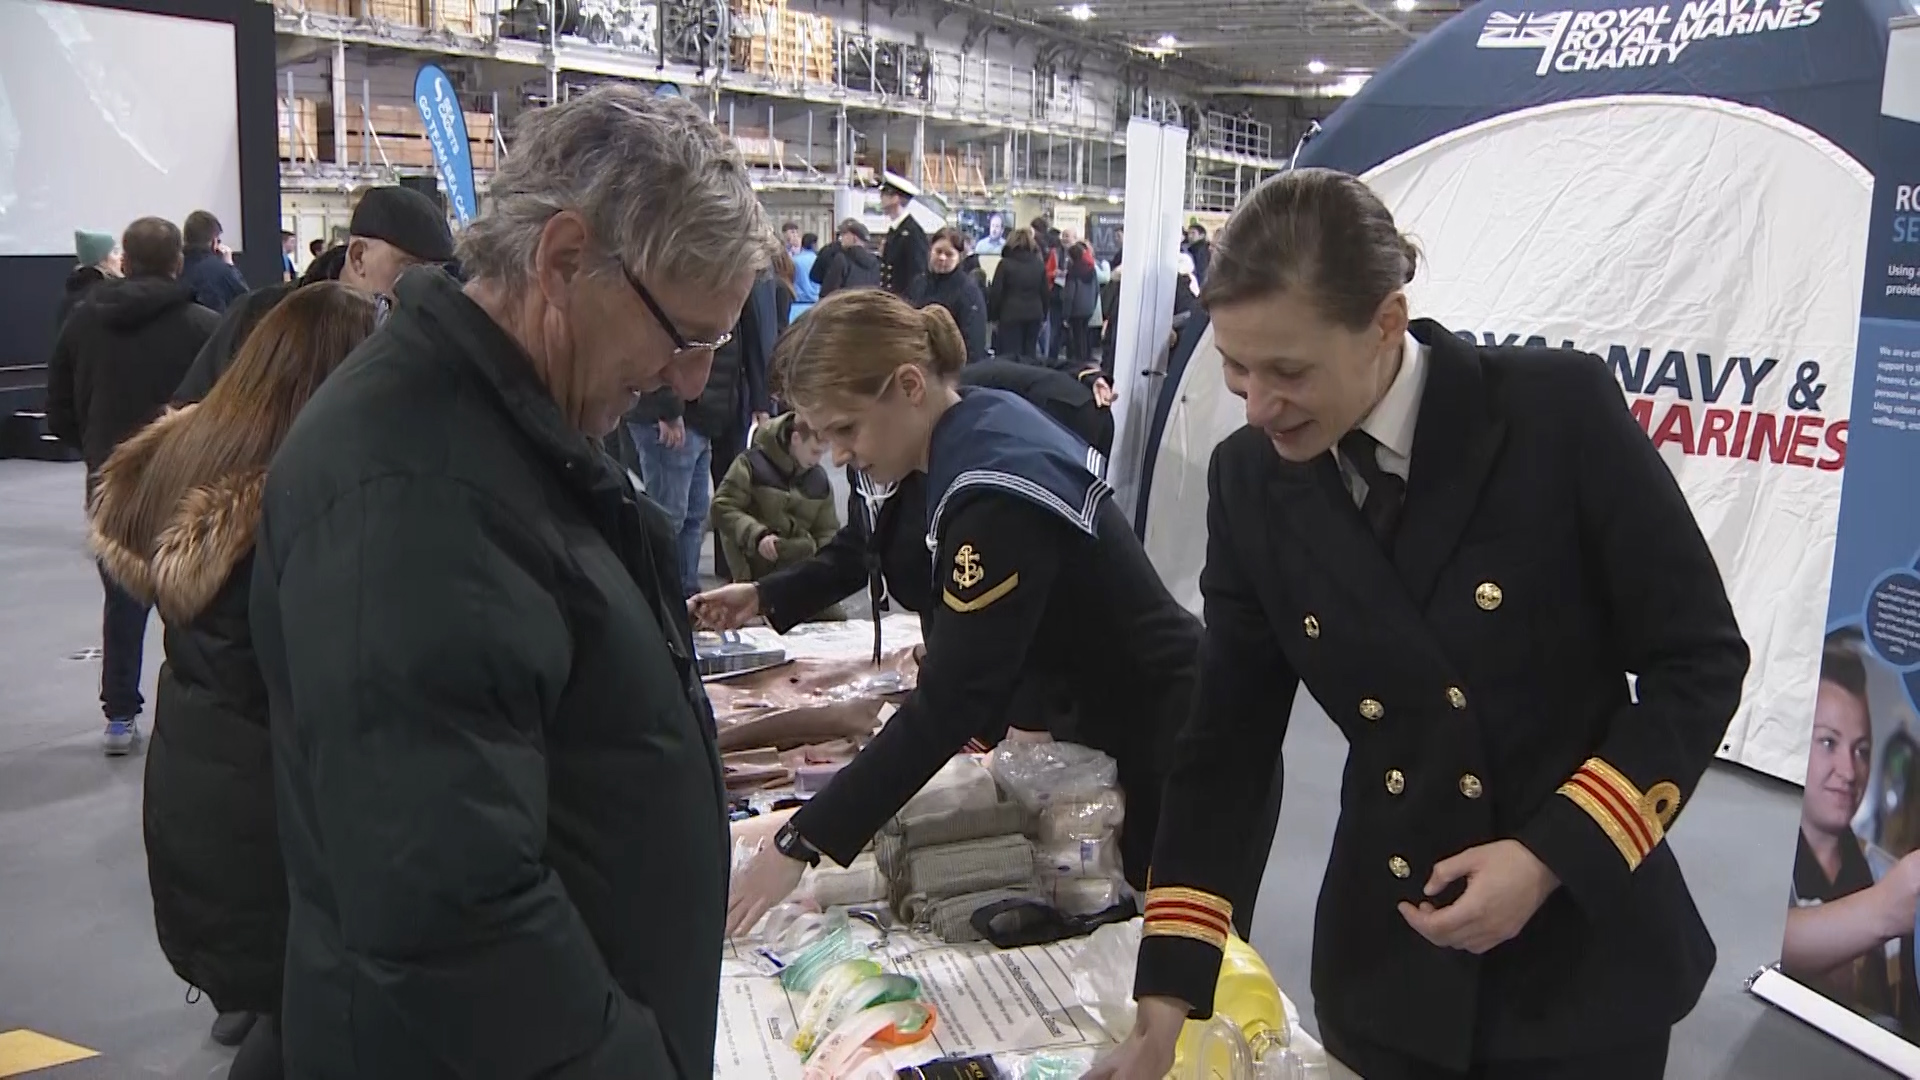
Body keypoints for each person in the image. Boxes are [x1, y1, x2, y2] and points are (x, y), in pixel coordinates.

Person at [1090, 168, 1750, 1080]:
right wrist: (1165, 1000)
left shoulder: (1555, 415)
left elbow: (1699, 664)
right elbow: (1225, 747)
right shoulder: (1250, 480)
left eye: (1289, 370)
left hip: (1581, 959)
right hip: (1389, 963)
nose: (1257, 405)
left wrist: (1549, 856)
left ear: (1385, 324)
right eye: (1236, 367)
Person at [247, 84, 778, 1078]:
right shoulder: (410, 492)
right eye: (686, 337)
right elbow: (450, 910)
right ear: (566, 260)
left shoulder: (522, 431)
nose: (691, 381)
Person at [706, 290, 1207, 939]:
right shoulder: (969, 428)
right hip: (1116, 726)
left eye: (845, 429)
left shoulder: (988, 494)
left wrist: (800, 841)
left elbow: (949, 704)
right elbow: (873, 547)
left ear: (909, 385)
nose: (835, 455)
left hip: (1174, 747)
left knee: (1178, 957)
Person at [87, 283, 379, 1077]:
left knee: (285, 1023)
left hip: (199, 788)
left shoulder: (197, 457)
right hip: (272, 815)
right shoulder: (301, 499)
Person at [45, 217, 220, 756]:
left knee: (122, 604)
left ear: (127, 259)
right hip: (183, 481)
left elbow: (59, 408)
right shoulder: (206, 326)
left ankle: (120, 715)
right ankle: (202, 712)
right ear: (177, 262)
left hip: (109, 486)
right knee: (198, 600)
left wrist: (98, 454)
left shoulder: (82, 323)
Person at [174, 186, 456, 404]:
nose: (426, 287)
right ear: (358, 257)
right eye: (411, 270)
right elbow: (192, 412)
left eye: (438, 274)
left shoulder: (432, 339)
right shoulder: (261, 315)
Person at [1782, 630, 1920, 1034]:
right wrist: (1884, 909)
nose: (1848, 771)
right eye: (1828, 742)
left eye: (1861, 750)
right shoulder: (1769, 858)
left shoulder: (1884, 871)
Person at [708, 412, 843, 613]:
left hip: (801, 572)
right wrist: (757, 535)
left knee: (837, 622)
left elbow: (827, 532)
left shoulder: (819, 481)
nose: (817, 461)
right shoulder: (750, 464)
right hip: (758, 570)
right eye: (814, 452)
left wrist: (825, 572)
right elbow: (722, 506)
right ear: (795, 439)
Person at [916, 228, 988, 363]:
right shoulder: (918, 283)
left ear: (959, 258)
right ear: (930, 251)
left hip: (951, 366)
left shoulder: (968, 291)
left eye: (949, 254)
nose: (942, 257)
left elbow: (973, 339)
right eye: (938, 252)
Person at [987, 227, 1048, 360]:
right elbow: (1045, 293)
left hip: (1010, 314)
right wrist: (1044, 316)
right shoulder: (1039, 264)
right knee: (1030, 355)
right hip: (1034, 314)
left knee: (1011, 357)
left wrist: (993, 317)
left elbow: (996, 293)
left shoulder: (1005, 264)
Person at [180, 210, 250, 313]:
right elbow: (246, 300)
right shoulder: (221, 270)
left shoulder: (174, 267)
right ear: (214, 241)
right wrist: (230, 266)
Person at [879, 176, 929, 298]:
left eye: (883, 196)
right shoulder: (896, 230)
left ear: (895, 198)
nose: (881, 201)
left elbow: (917, 274)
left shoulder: (912, 232)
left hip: (903, 301)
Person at [811, 218, 881, 297]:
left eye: (844, 234)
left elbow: (828, 290)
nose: (841, 238)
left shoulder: (840, 258)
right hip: (867, 305)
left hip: (844, 305)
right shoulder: (875, 261)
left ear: (854, 238)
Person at [1062, 239, 1098, 366]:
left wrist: (1065, 315)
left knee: (1076, 337)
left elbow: (1069, 295)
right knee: (1084, 335)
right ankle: (1084, 360)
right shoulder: (1091, 269)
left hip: (1076, 310)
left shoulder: (1073, 272)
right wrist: (1092, 307)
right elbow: (1096, 290)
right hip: (1088, 308)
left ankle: (1077, 362)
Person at [791, 231, 821, 318]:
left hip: (798, 302)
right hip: (816, 301)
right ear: (814, 244)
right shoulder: (818, 260)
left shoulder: (794, 261)